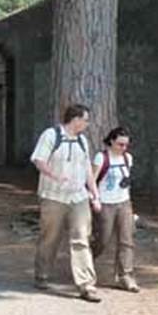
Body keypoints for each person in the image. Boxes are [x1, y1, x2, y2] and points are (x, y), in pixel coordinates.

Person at [30, 104, 104, 303]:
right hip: (54, 196)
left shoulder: (82, 141)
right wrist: (54, 175)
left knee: (81, 238)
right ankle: (42, 275)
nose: (87, 124)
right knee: (50, 237)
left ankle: (86, 285)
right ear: (75, 119)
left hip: (78, 197)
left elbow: (87, 168)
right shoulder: (50, 135)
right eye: (85, 120)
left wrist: (94, 193)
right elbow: (39, 160)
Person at [91, 127, 140, 292]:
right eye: (120, 144)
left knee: (126, 240)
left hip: (124, 202)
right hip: (105, 203)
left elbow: (127, 179)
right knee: (102, 239)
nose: (123, 148)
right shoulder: (101, 157)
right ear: (111, 141)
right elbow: (92, 179)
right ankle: (86, 262)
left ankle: (126, 275)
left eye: (126, 145)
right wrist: (95, 198)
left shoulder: (127, 158)